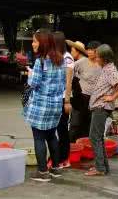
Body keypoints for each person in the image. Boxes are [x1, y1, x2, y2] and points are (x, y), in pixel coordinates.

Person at [24, 29, 66, 182]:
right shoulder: (60, 59)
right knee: (52, 136)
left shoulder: (40, 61)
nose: (33, 43)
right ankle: (55, 168)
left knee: (39, 137)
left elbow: (34, 83)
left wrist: (30, 75)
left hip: (41, 105)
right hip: (55, 105)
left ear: (42, 43)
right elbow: (62, 84)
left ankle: (42, 172)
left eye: (35, 41)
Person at [86, 44, 118, 177]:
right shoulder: (106, 68)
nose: (96, 58)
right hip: (99, 107)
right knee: (97, 137)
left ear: (104, 58)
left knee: (94, 137)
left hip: (101, 107)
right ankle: (103, 166)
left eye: (97, 56)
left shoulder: (110, 70)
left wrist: (112, 97)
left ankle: (100, 168)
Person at [69, 41, 102, 141]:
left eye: (92, 50)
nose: (90, 52)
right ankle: (70, 146)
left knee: (89, 125)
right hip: (80, 97)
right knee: (75, 124)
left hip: (94, 99)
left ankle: (85, 146)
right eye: (88, 49)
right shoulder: (80, 63)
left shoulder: (101, 64)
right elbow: (69, 75)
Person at [52, 32, 74, 169]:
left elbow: (68, 82)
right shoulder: (56, 57)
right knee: (54, 129)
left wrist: (66, 101)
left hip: (63, 99)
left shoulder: (67, 58)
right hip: (54, 98)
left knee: (62, 129)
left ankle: (64, 158)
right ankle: (57, 156)